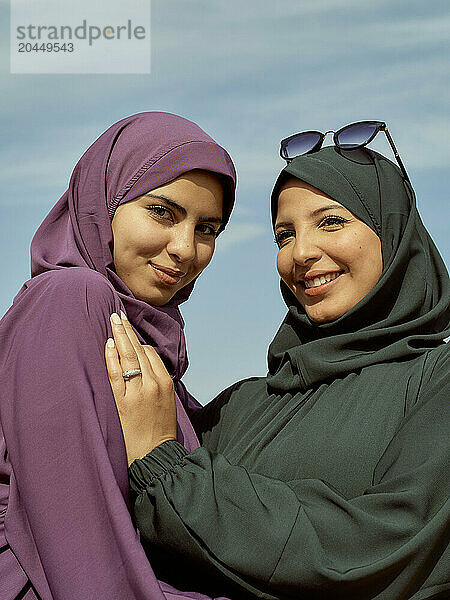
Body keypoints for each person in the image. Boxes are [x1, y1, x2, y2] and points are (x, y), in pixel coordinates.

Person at [106, 131, 449, 599]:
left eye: (330, 222)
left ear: (394, 234)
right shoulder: (244, 404)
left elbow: (379, 550)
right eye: (284, 235)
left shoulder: (437, 379)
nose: (301, 253)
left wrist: (168, 473)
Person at [0, 112, 236, 600]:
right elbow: (77, 537)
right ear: (103, 205)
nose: (184, 249)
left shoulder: (145, 341)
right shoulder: (71, 299)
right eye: (162, 212)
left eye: (207, 229)